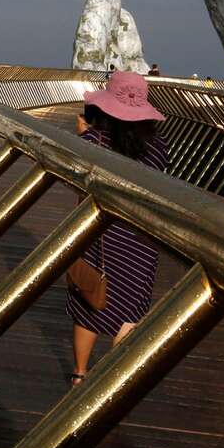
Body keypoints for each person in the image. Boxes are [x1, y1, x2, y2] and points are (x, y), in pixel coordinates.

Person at [68, 71, 169, 385]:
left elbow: (78, 183)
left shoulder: (93, 140)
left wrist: (83, 134)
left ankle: (79, 375)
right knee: (129, 310)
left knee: (90, 301)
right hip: (140, 237)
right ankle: (110, 383)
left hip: (101, 232)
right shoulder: (157, 147)